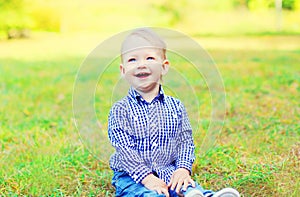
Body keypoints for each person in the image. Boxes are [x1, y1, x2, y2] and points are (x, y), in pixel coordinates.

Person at [108, 28, 240, 197]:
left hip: (167, 169)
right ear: (123, 70)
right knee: (144, 193)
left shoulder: (176, 106)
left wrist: (183, 169)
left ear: (164, 67)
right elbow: (125, 151)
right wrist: (147, 178)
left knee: (188, 187)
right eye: (132, 59)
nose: (141, 64)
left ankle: (205, 196)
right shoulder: (120, 110)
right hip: (131, 175)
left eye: (149, 58)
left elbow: (185, 141)